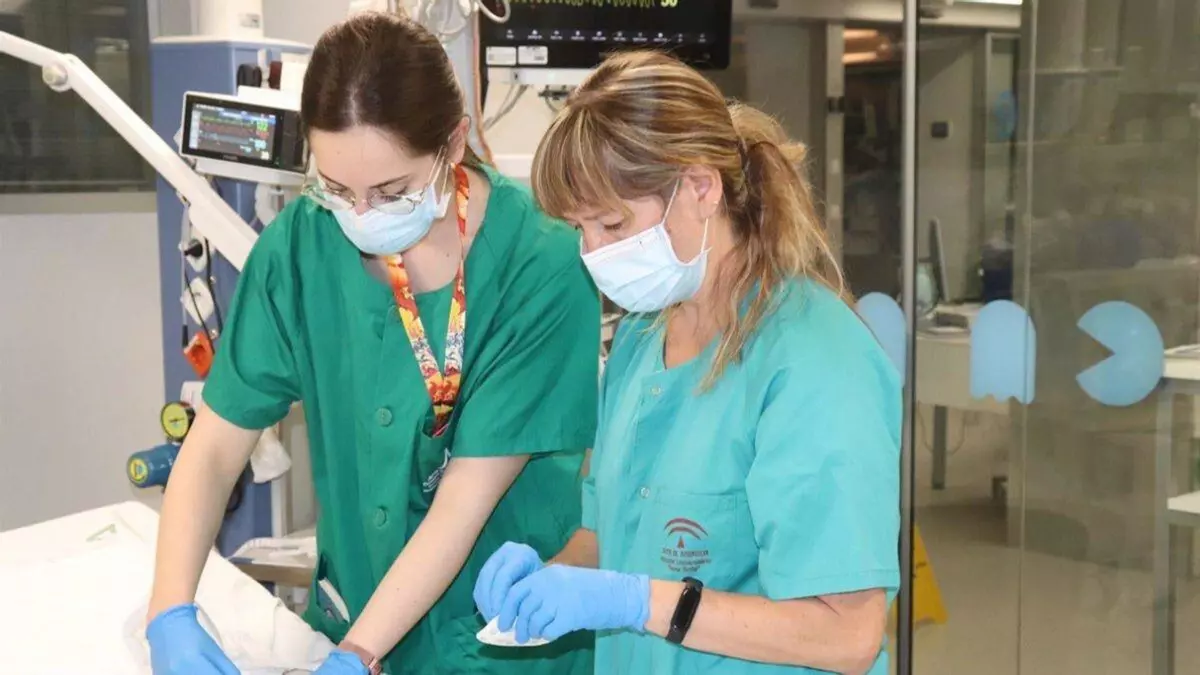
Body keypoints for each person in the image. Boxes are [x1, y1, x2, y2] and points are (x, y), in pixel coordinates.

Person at [145, 12, 598, 675]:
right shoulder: (302, 244)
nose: (359, 214)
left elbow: (463, 501)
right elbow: (214, 446)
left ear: (453, 143)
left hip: (496, 645)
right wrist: (168, 611)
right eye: (336, 188)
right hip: (351, 614)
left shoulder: (539, 266)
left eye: (391, 191)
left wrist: (357, 654)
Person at [473, 51, 901, 675]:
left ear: (701, 188)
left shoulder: (815, 362)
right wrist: (553, 579)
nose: (594, 253)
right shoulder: (641, 339)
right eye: (580, 229)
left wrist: (635, 602)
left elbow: (847, 635)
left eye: (612, 223)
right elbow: (614, 535)